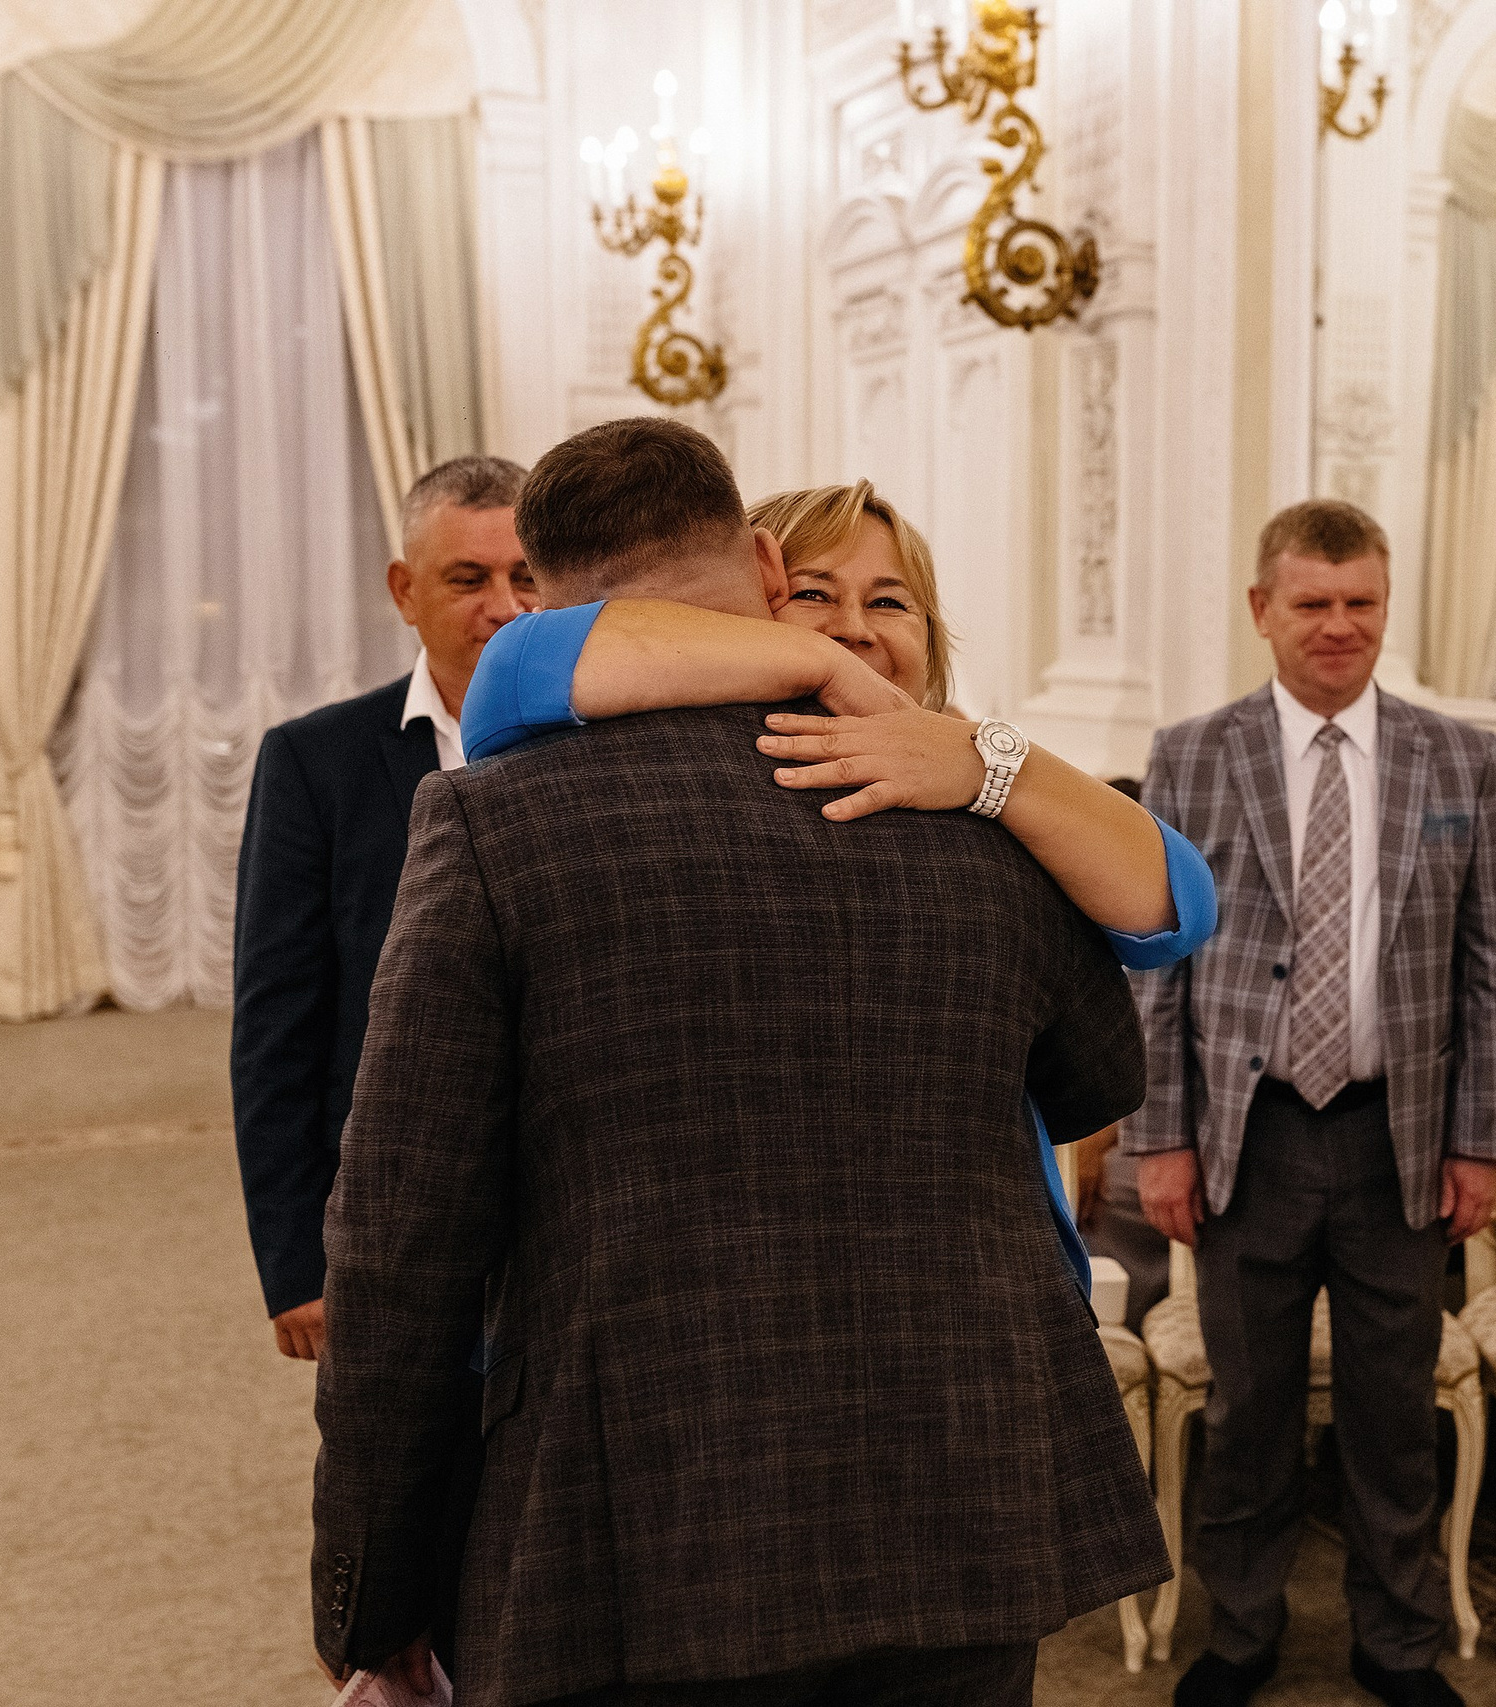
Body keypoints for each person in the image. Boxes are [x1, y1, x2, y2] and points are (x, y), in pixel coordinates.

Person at [309, 418, 1170, 1707]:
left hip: (638, 1530)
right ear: (769, 568)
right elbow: (1102, 1076)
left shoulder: (493, 827)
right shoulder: (964, 813)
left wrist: (371, 1594)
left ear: (542, 602)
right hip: (961, 1498)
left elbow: (398, 1245)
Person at [459, 478, 1218, 1289]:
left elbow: (1180, 908)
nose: (853, 629)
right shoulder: (661, 784)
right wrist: (816, 664)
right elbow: (511, 673)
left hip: (970, 1275)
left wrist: (989, 765)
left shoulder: (983, 801)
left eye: (890, 603)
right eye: (815, 594)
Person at [1127, 499, 1496, 1707]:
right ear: (1263, 610)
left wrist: (1481, 1143)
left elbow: (1489, 965)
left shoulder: (1456, 757)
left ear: (1384, 606)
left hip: (1395, 1140)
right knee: (1247, 1412)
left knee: (1392, 1413)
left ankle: (1397, 1643)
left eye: (1361, 603)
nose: (1339, 626)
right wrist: (1160, 1137)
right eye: (1313, 603)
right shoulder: (1190, 753)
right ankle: (1239, 1636)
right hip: (1244, 1140)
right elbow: (1159, 956)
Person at [231, 454, 534, 1361]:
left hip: (571, 1200)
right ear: (406, 590)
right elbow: (277, 1020)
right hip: (390, 1201)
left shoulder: (609, 742)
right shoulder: (314, 763)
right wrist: (294, 1261)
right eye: (469, 578)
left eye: (527, 576)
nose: (506, 606)